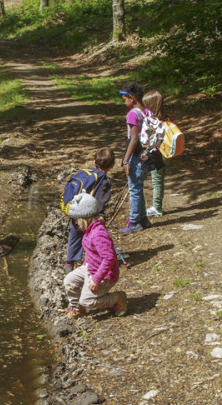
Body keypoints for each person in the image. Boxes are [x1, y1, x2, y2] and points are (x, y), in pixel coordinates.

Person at [63, 192, 127, 318]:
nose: (75, 223)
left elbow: (109, 258)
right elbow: (91, 253)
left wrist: (97, 278)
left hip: (105, 274)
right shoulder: (89, 230)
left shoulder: (98, 234)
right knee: (69, 280)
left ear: (84, 218)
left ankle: (117, 298)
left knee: (87, 301)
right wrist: (85, 266)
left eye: (76, 220)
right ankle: (78, 308)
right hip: (90, 267)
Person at [63, 147, 116, 274]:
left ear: (94, 162)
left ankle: (69, 263)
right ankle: (91, 261)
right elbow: (100, 201)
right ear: (112, 165)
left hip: (75, 208)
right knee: (92, 236)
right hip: (89, 214)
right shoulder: (104, 180)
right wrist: (101, 215)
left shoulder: (85, 173)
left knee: (74, 234)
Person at [118, 82, 151, 233]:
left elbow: (134, 139)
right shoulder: (146, 111)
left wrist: (125, 159)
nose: (124, 102)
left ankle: (134, 222)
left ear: (132, 98)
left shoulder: (132, 114)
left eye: (125, 99)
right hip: (145, 156)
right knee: (138, 187)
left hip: (135, 156)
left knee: (134, 189)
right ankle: (143, 218)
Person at [142, 89, 167, 218]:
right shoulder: (164, 118)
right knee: (159, 180)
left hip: (156, 153)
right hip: (164, 152)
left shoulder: (153, 120)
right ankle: (158, 205)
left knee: (156, 181)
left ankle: (157, 208)